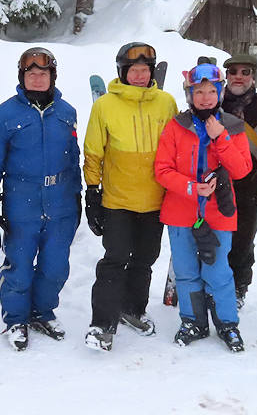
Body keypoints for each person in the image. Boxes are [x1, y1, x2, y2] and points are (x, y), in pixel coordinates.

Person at [0, 47, 82, 351]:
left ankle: (42, 312)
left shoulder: (67, 113)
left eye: (43, 73)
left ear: (53, 76)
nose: (37, 78)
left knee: (55, 267)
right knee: (20, 266)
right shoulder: (3, 115)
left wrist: (79, 196)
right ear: (22, 77)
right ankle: (15, 319)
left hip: (61, 200)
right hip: (21, 201)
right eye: (31, 73)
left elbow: (73, 158)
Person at [83, 43, 177, 351]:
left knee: (145, 259)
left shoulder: (166, 103)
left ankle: (132, 309)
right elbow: (93, 153)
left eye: (144, 70)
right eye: (133, 70)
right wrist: (92, 192)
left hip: (154, 200)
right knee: (115, 260)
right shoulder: (105, 106)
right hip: (118, 201)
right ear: (123, 72)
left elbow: (176, 147)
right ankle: (102, 324)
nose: (139, 75)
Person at [154, 63, 252, 352]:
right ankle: (193, 322)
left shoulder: (232, 127)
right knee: (186, 271)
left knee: (218, 271)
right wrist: (191, 187)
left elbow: (241, 169)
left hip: (218, 212)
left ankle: (227, 325)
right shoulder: (176, 126)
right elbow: (162, 169)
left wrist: (220, 137)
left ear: (220, 92)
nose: (206, 97)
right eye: (199, 91)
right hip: (181, 212)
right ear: (190, 94)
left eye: (212, 90)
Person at [220, 54, 257, 308]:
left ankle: (238, 287)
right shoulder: (213, 101)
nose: (239, 77)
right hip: (216, 182)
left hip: (251, 183)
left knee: (243, 240)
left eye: (245, 72)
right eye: (233, 72)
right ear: (226, 76)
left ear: (253, 76)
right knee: (213, 238)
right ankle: (212, 282)